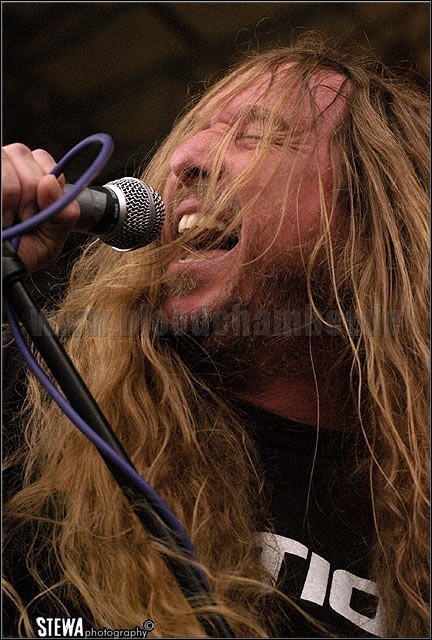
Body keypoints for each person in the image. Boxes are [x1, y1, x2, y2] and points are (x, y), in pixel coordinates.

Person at [2, 33, 429, 638]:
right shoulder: (49, 423)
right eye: (194, 134)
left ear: (369, 220)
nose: (184, 159)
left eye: (256, 136)